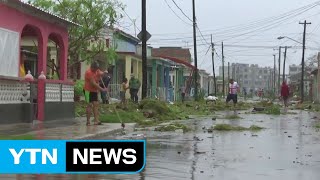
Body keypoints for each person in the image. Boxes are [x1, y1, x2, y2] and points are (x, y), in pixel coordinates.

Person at [83, 61, 107, 126]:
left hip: (94, 91)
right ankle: (88, 121)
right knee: (89, 105)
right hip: (87, 91)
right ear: (92, 67)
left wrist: (104, 73)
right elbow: (93, 84)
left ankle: (96, 120)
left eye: (97, 68)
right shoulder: (89, 73)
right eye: (95, 69)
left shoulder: (97, 70)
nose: (96, 70)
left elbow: (101, 73)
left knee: (96, 104)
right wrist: (102, 89)